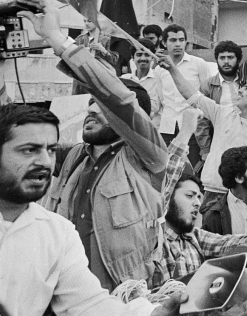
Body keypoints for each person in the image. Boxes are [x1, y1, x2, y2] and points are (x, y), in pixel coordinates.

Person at [19, 0, 169, 291]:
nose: (90, 109)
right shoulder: (73, 156)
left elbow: (118, 98)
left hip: (121, 297)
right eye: (89, 103)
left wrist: (58, 39)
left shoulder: (147, 157)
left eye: (99, 105)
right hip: (64, 292)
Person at [0, 103, 185, 316]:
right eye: (29, 150)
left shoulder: (57, 233)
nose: (45, 161)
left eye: (51, 150)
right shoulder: (76, 158)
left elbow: (88, 305)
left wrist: (154, 314)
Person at [159, 56, 247, 215]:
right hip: (210, 193)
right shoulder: (222, 113)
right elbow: (191, 95)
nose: (240, 90)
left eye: (246, 88)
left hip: (241, 197)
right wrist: (172, 69)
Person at [155, 171, 247, 284]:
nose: (197, 203)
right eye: (189, 196)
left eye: (199, 197)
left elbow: (224, 242)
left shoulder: (194, 237)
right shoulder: (152, 243)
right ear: (167, 197)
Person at [153, 24, 211, 166]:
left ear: (186, 41)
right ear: (164, 43)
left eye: (181, 39)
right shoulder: (159, 69)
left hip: (193, 129)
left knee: (192, 169)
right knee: (167, 168)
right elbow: (161, 99)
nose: (178, 44)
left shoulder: (199, 64)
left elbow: (207, 97)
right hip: (167, 128)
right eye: (173, 40)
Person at [121, 38, 163, 127]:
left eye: (147, 55)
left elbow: (154, 107)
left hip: (151, 127)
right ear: (133, 57)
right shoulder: (125, 79)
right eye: (139, 55)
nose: (143, 58)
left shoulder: (158, 79)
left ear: (152, 57)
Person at [201, 41, 243, 108]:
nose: (226, 61)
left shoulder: (246, 81)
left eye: (230, 57)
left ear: (238, 60)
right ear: (217, 60)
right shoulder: (208, 86)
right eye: (222, 58)